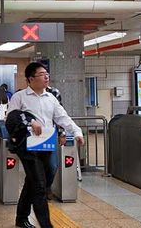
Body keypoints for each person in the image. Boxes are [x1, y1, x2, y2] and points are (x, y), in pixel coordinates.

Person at [8, 62, 84, 228]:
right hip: (27, 146)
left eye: (47, 74)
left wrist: (77, 132)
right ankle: (46, 225)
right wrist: (30, 121)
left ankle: (21, 218)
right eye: (42, 74)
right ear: (30, 79)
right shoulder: (19, 97)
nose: (46, 77)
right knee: (40, 187)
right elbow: (11, 118)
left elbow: (62, 117)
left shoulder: (51, 98)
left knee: (42, 177)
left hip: (46, 145)